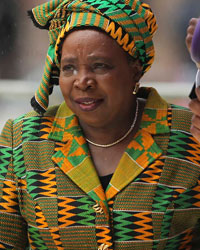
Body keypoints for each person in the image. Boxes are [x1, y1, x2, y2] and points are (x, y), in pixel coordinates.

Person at [0, 0, 200, 249]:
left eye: (100, 66)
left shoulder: (190, 134)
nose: (82, 81)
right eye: (69, 68)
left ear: (135, 71)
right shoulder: (23, 140)